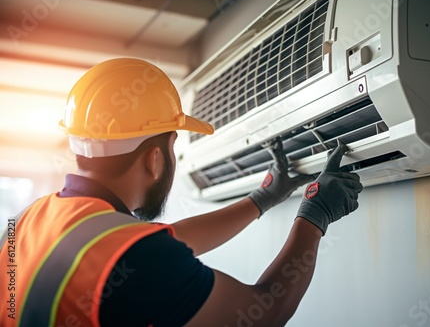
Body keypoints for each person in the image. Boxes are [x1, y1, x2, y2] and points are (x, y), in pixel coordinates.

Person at [0, 58, 362, 327]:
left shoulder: (25, 222)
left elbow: (172, 240)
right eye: (174, 145)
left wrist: (262, 199)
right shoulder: (135, 252)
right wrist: (314, 218)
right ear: (155, 159)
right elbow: (263, 313)